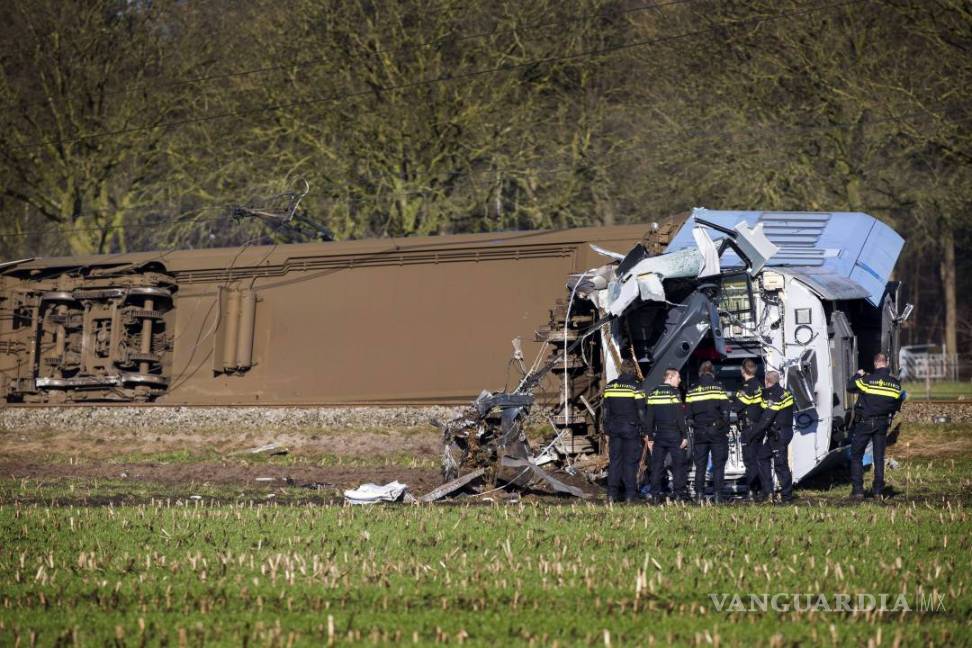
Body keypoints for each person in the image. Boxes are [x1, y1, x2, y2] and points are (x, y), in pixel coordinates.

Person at [847, 352, 905, 499]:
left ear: (875, 363)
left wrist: (858, 374)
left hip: (865, 423)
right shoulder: (895, 384)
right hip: (883, 424)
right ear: (887, 362)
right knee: (878, 457)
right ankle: (878, 491)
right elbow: (896, 405)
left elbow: (849, 386)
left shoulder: (867, 380)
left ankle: (858, 491)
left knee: (856, 456)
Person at [602, 358, 647, 503]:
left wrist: (606, 429)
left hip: (614, 429)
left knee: (615, 461)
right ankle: (630, 495)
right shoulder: (636, 387)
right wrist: (645, 429)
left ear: (621, 370)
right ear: (633, 371)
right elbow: (641, 411)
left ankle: (611, 494)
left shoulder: (610, 386)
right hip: (630, 429)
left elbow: (605, 410)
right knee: (630, 462)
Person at [685, 361, 730, 503]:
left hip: (699, 432)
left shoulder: (692, 389)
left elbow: (688, 416)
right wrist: (724, 428)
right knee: (718, 465)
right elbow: (726, 412)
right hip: (717, 431)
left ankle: (699, 496)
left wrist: (696, 426)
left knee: (700, 466)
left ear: (700, 373)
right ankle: (717, 497)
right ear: (712, 373)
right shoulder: (719, 387)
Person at [644, 367, 689, 503]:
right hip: (674, 434)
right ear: (669, 377)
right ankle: (679, 495)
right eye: (677, 377)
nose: (679, 380)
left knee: (657, 466)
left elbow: (649, 418)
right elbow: (680, 416)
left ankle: (655, 495)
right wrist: (685, 435)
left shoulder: (653, 393)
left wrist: (650, 437)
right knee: (678, 465)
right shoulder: (674, 393)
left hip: (659, 435)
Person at [751, 370, 795, 503]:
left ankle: (787, 497)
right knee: (762, 457)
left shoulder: (775, 395)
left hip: (779, 434)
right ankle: (768, 492)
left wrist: (753, 434)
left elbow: (766, 418)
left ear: (766, 380)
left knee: (780, 465)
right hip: (778, 433)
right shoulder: (783, 392)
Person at [731, 359, 764, 500]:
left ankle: (751, 491)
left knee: (749, 460)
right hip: (758, 427)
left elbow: (737, 406)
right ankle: (760, 489)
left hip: (749, 429)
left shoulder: (747, 386)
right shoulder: (759, 384)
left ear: (743, 370)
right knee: (757, 459)